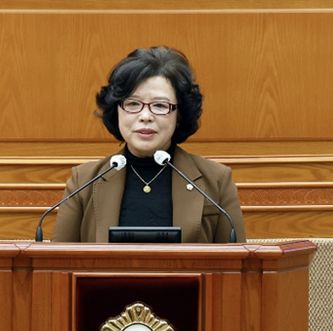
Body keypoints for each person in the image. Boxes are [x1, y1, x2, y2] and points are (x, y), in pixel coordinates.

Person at [52, 46, 245, 243]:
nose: (145, 116)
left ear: (179, 115)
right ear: (116, 110)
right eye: (133, 104)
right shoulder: (83, 181)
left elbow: (238, 260)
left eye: (160, 105)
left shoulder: (216, 180)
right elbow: (57, 260)